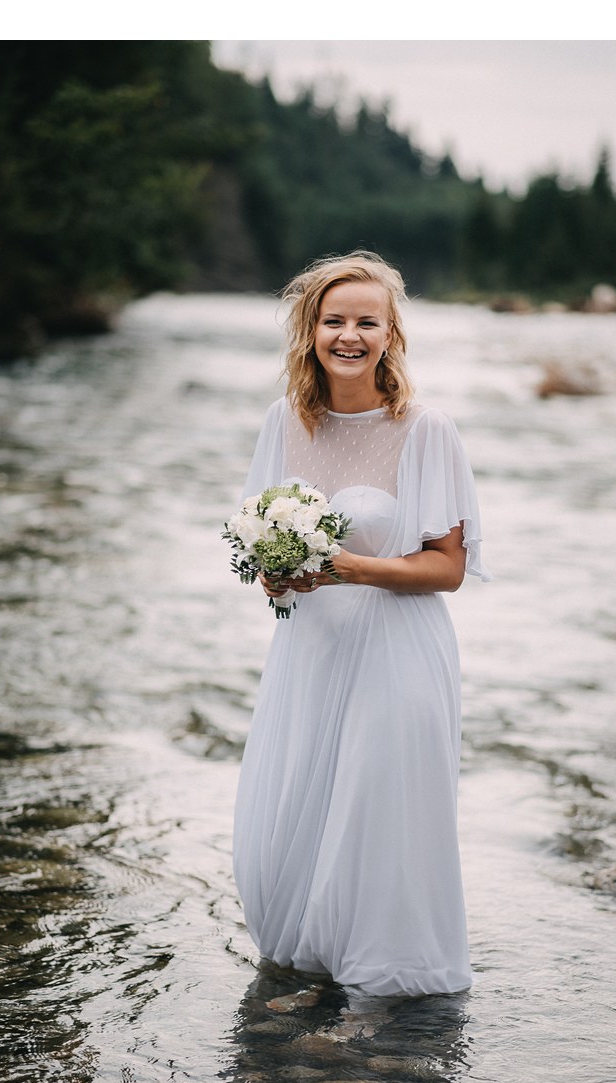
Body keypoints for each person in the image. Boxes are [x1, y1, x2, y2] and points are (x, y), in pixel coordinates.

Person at [232, 251, 491, 997]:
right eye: (333, 320)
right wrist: (278, 573)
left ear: (390, 334)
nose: (349, 335)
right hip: (309, 649)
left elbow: (447, 568)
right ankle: (312, 965)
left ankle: (382, 998)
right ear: (310, 330)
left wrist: (344, 567)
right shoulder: (283, 421)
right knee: (289, 813)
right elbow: (261, 556)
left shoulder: (426, 429)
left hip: (399, 647)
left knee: (381, 810)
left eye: (366, 322)